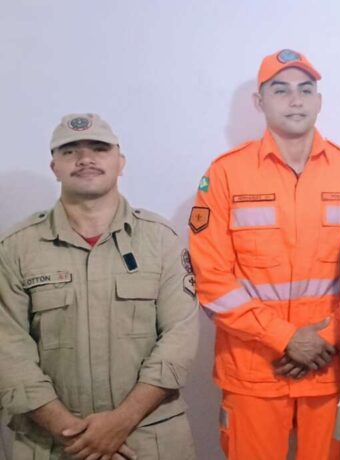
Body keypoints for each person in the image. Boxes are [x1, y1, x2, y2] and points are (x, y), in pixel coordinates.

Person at [189, 49, 340, 459]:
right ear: (260, 103)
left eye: (305, 90)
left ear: (318, 100)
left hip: (331, 368)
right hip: (254, 370)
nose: (295, 100)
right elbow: (212, 281)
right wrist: (286, 338)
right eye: (281, 90)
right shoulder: (225, 174)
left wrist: (325, 337)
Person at [0, 113, 198, 459]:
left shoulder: (160, 239)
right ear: (54, 167)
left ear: (120, 162)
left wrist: (122, 421)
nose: (85, 158)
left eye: (99, 148)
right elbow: (8, 351)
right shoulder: (17, 247)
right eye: (70, 150)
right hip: (51, 444)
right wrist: (74, 433)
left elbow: (179, 340)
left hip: (148, 439)